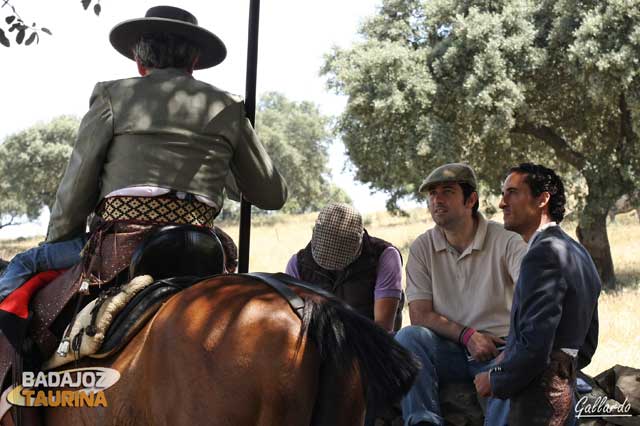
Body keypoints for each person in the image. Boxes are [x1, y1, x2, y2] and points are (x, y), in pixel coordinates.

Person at [0, 6, 287, 297]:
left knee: (26, 262)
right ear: (194, 61)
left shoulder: (112, 96)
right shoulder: (229, 107)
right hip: (202, 248)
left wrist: (60, 239)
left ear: (139, 60)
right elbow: (271, 195)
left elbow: (78, 183)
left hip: (121, 246)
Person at [395, 163, 527, 426]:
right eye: (432, 194)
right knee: (408, 337)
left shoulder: (506, 241)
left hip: (498, 350)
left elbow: (533, 298)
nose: (437, 199)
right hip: (448, 349)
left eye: (447, 191)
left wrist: (511, 349)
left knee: (509, 407)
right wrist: (468, 336)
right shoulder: (423, 247)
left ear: (471, 199)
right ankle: (423, 421)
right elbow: (419, 315)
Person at [474, 163, 600, 426]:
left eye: (512, 193)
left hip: (536, 406)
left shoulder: (542, 254)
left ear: (543, 199)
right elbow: (587, 344)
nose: (501, 203)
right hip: (563, 401)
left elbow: (535, 346)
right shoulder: (577, 252)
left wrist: (495, 378)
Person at [285, 202, 403, 332]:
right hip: (316, 347)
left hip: (372, 346)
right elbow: (292, 324)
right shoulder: (298, 264)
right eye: (326, 253)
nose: (333, 265)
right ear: (314, 233)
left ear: (360, 239)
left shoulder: (385, 256)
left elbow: (383, 327)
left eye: (339, 257)